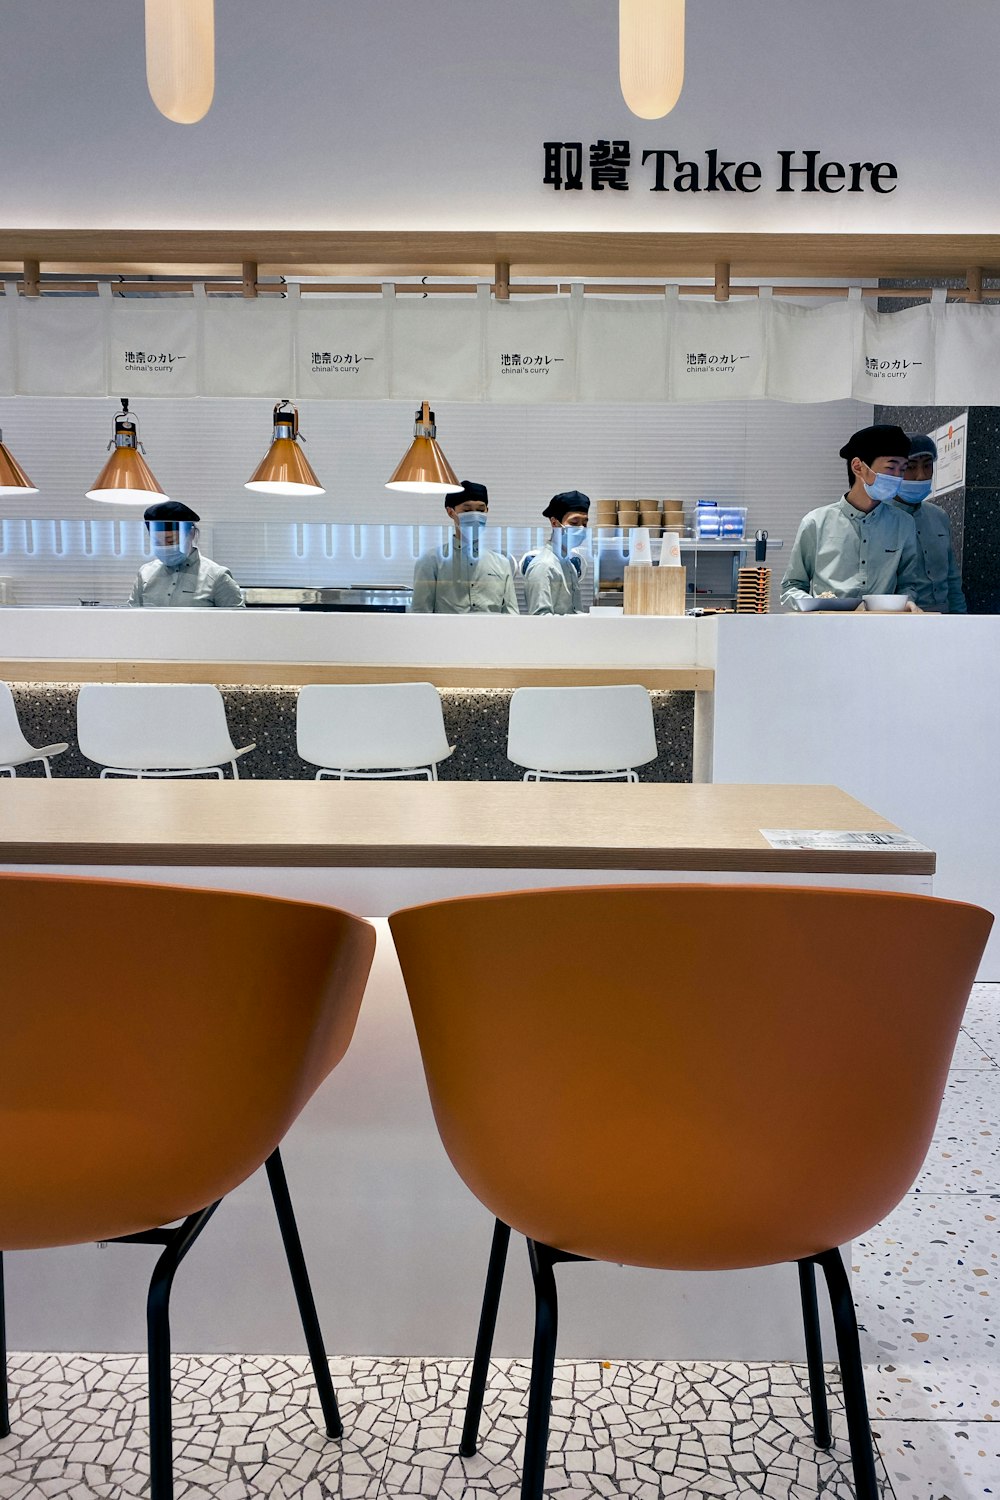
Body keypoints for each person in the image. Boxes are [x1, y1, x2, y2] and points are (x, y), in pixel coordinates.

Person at [780, 424, 923, 609]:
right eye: (891, 468)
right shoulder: (816, 523)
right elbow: (791, 586)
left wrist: (908, 601)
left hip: (883, 628)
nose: (897, 477)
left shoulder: (903, 524)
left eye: (902, 469)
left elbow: (908, 584)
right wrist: (820, 605)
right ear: (858, 467)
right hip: (826, 628)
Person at [410, 480, 518, 614]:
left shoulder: (501, 564)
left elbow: (512, 617)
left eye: (480, 510)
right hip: (446, 634)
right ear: (451, 512)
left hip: (491, 634)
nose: (475, 515)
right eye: (467, 510)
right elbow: (420, 616)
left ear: (487, 511)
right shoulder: (431, 562)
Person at [893, 434, 967, 613]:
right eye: (911, 467)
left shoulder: (939, 516)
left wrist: (961, 618)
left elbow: (952, 579)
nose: (921, 476)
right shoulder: (882, 518)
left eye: (927, 466)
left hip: (942, 616)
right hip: (900, 617)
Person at [128, 501, 244, 608]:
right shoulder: (145, 574)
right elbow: (129, 619)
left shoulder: (217, 577)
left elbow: (238, 624)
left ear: (191, 534)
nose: (164, 547)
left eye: (171, 541)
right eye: (157, 542)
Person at [523, 490, 591, 616]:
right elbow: (540, 618)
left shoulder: (568, 565)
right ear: (555, 523)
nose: (581, 528)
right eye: (574, 523)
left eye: (585, 523)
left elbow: (574, 610)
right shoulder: (544, 566)